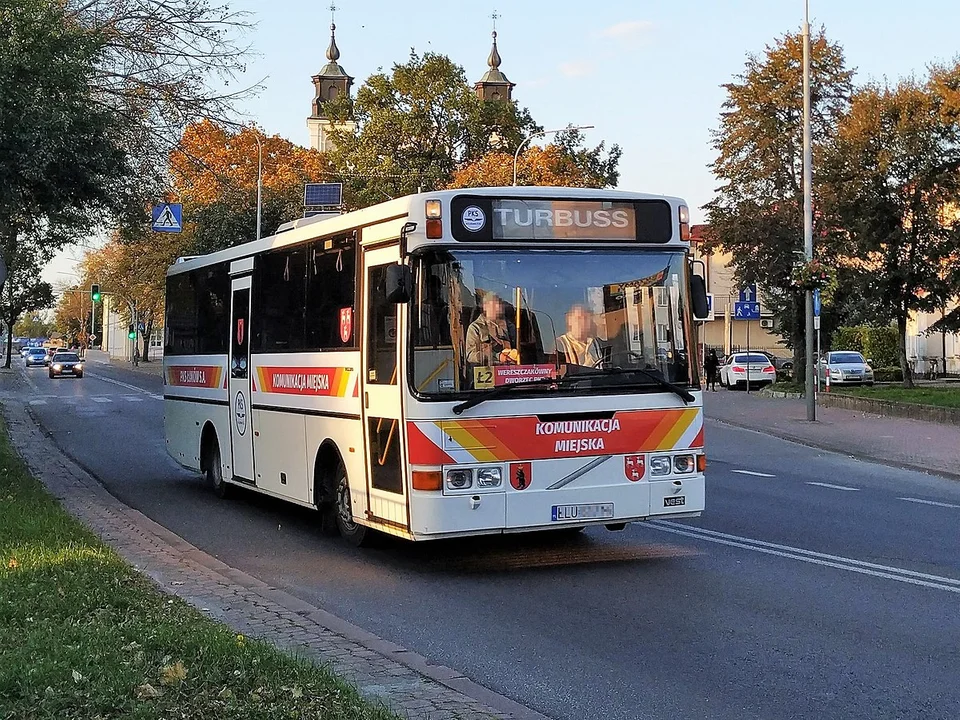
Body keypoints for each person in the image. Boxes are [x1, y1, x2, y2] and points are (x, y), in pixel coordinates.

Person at [465, 291, 517, 366]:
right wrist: (496, 356)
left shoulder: (510, 327)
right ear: (486, 306)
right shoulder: (476, 327)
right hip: (486, 372)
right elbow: (470, 355)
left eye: (500, 303)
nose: (499, 306)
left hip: (508, 373)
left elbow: (518, 348)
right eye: (495, 303)